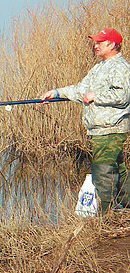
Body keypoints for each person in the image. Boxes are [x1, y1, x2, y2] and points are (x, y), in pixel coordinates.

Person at [40, 28, 130, 214]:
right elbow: (80, 89)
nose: (95, 46)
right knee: (118, 170)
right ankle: (127, 204)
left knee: (102, 171)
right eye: (95, 42)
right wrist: (56, 93)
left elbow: (123, 95)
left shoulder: (120, 67)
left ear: (112, 45)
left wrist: (96, 95)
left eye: (99, 42)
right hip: (99, 130)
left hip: (110, 128)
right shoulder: (99, 67)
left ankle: (104, 216)